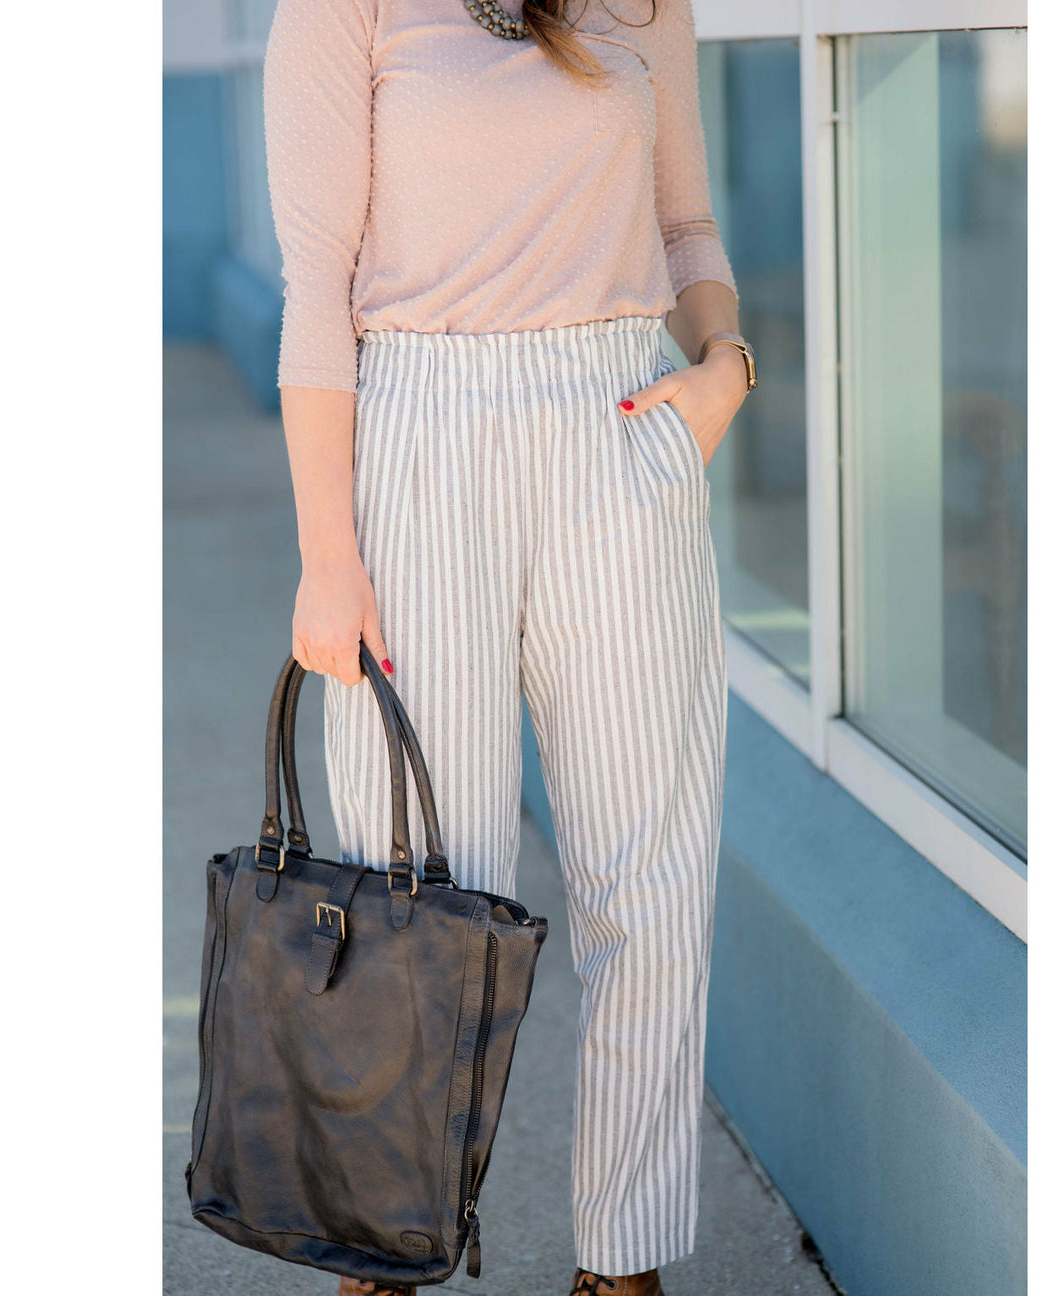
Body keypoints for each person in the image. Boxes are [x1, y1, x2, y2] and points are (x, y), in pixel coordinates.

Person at [262, 2, 755, 1293]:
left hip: (620, 426)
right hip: (419, 433)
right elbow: (318, 282)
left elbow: (686, 225)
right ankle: (385, 1249)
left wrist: (726, 366)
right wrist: (327, 555)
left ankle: (625, 1267)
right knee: (419, 888)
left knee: (649, 879)